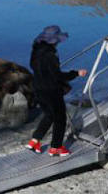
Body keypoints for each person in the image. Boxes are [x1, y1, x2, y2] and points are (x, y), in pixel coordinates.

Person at [26, 25, 87, 157]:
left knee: (49, 114)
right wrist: (76, 73)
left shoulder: (35, 51)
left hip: (37, 87)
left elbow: (36, 68)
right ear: (54, 40)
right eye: (57, 40)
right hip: (50, 90)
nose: (58, 42)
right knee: (60, 117)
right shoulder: (50, 55)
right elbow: (57, 75)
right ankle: (56, 147)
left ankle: (35, 140)